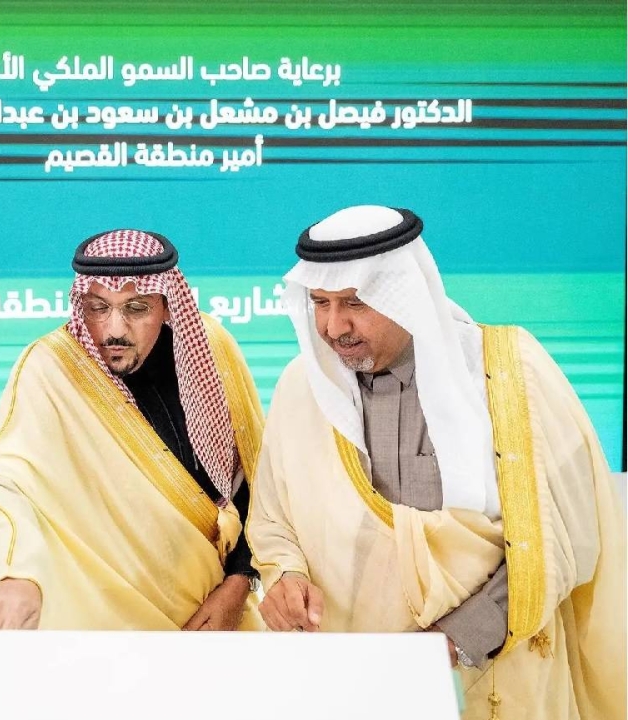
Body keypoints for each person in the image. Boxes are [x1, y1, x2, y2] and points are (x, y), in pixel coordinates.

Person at [247, 205, 625, 719]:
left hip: (491, 672)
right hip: (352, 679)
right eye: (320, 303)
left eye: (355, 303)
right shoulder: (302, 385)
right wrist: (286, 575)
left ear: (404, 293)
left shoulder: (509, 373)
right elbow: (274, 517)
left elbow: (563, 536)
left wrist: (452, 640)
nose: (334, 327)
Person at [0, 229, 264, 630]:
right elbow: (0, 479)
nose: (114, 329)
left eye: (136, 308)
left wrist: (240, 580)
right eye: (98, 307)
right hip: (103, 621)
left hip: (216, 615)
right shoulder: (51, 369)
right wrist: (11, 572)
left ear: (168, 305)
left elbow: (255, 479)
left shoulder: (212, 347)